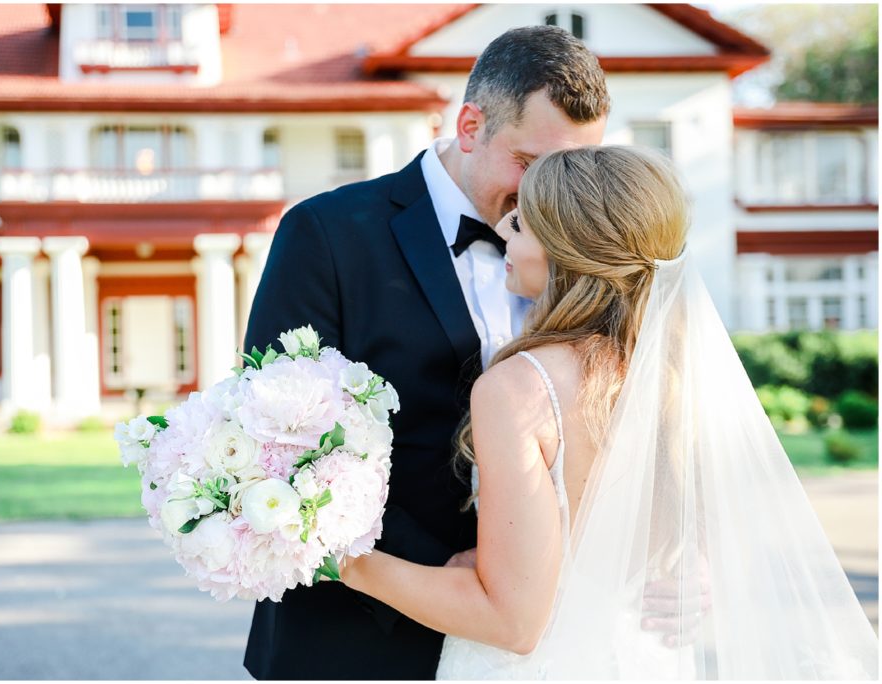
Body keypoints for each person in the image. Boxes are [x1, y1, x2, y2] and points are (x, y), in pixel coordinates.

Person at [339, 145, 880, 679]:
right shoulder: (670, 377)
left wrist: (343, 562)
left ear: (565, 248)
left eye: (522, 224)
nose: (503, 231)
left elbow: (512, 621)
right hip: (646, 660)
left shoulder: (520, 389)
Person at [241, 25, 608, 680]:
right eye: (532, 165)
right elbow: (279, 435)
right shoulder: (327, 233)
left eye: (574, 170)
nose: (550, 195)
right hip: (355, 634)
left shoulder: (578, 251)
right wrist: (441, 566)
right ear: (470, 125)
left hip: (533, 631)